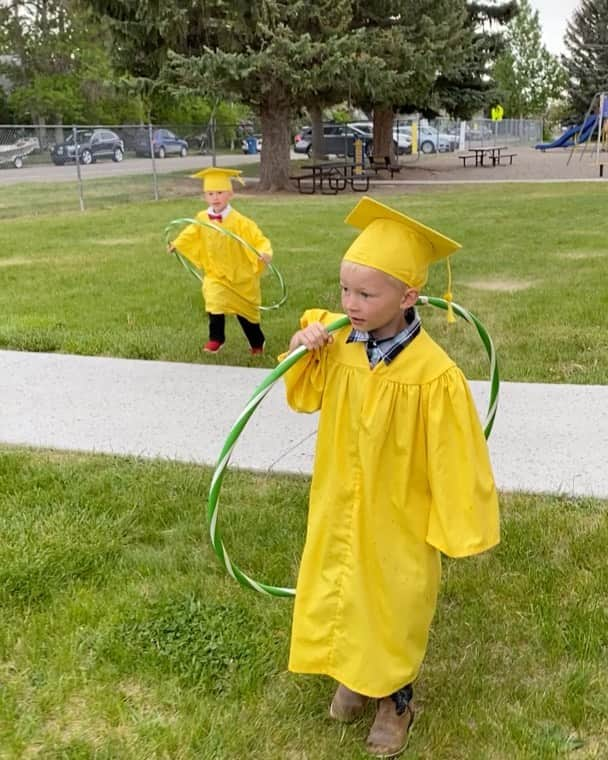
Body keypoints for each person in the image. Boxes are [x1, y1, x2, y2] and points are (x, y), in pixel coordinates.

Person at [280, 196, 500, 757]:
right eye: (344, 290)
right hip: (339, 498)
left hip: (399, 512)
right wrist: (301, 347)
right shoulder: (337, 347)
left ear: (407, 297)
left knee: (393, 602)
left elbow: (456, 456)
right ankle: (353, 674)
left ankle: (394, 700)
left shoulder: (435, 376)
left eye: (366, 294)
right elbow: (302, 396)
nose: (350, 304)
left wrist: (457, 523)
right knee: (343, 585)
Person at [168, 167, 272, 354]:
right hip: (215, 274)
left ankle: (257, 342)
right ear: (205, 196)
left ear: (230, 194)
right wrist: (177, 244)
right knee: (214, 303)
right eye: (210, 193)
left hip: (240, 276)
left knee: (245, 312)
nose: (215, 197)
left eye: (220, 193)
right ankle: (216, 339)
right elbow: (191, 232)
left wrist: (264, 252)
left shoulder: (240, 222)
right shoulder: (202, 218)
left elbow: (257, 238)